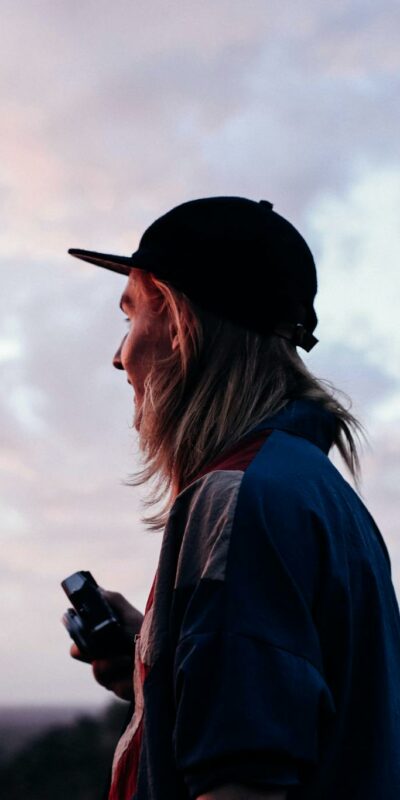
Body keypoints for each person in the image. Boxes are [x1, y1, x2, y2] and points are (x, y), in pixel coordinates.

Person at [68, 196, 400, 800]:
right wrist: (163, 666)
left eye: (130, 317)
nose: (120, 356)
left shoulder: (238, 504)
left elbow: (244, 785)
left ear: (175, 317)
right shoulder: (316, 494)